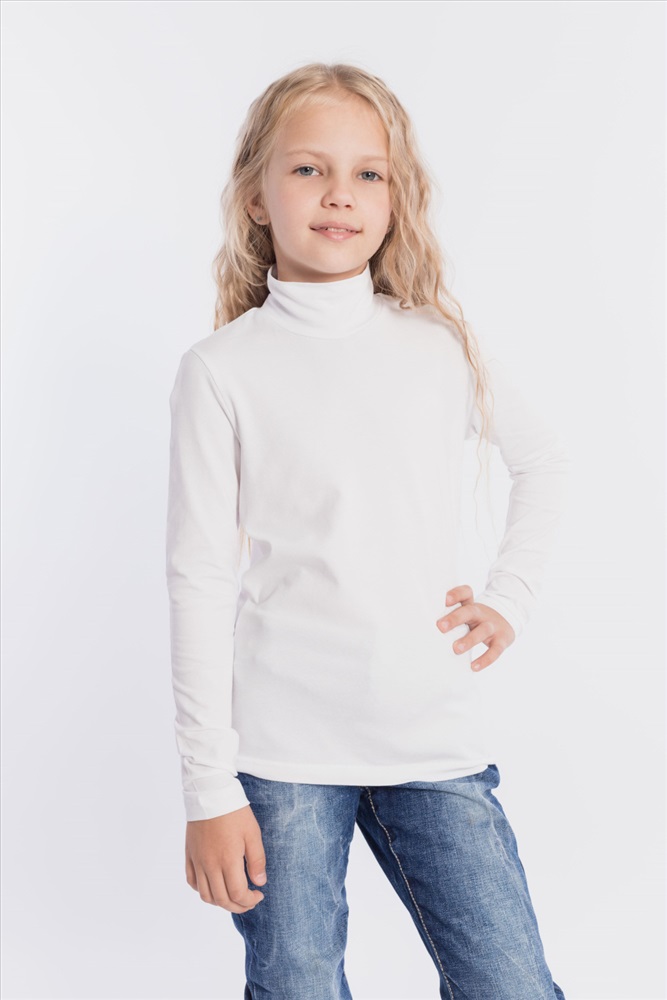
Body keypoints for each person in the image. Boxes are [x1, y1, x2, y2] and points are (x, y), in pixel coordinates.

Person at [166, 61, 570, 1000]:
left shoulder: (438, 344)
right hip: (281, 756)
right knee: (298, 985)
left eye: (368, 173)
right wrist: (208, 790)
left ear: (396, 199)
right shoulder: (222, 370)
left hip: (431, 741)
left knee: (511, 984)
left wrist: (508, 598)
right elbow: (196, 579)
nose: (339, 194)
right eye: (308, 169)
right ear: (255, 195)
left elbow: (545, 463)